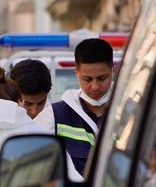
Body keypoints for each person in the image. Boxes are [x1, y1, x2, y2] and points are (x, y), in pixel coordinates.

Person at [48, 38, 113, 175]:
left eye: (102, 78)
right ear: (76, 72)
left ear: (113, 70)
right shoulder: (54, 116)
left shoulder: (133, 112)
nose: (95, 87)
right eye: (87, 79)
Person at [10, 58, 53, 127]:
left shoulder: (55, 119)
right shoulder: (3, 120)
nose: (35, 112)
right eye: (28, 104)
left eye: (41, 103)